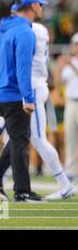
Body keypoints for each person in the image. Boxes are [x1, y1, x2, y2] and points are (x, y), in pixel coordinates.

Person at [0, 17, 75, 200]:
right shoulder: (37, 30)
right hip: (30, 87)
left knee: (36, 139)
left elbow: (23, 62)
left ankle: (64, 184)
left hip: (30, 89)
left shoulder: (31, 31)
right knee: (13, 138)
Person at [0, 0, 46, 202]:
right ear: (33, 7)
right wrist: (28, 98)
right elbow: (23, 67)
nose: (42, 8)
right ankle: (22, 190)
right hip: (14, 93)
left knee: (18, 137)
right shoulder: (26, 32)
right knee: (20, 141)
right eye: (40, 5)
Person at [57, 33, 78, 182]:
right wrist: (59, 68)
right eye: (75, 44)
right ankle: (70, 171)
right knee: (69, 137)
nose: (75, 47)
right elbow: (59, 84)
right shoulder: (69, 63)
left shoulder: (71, 63)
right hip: (70, 102)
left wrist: (70, 63)